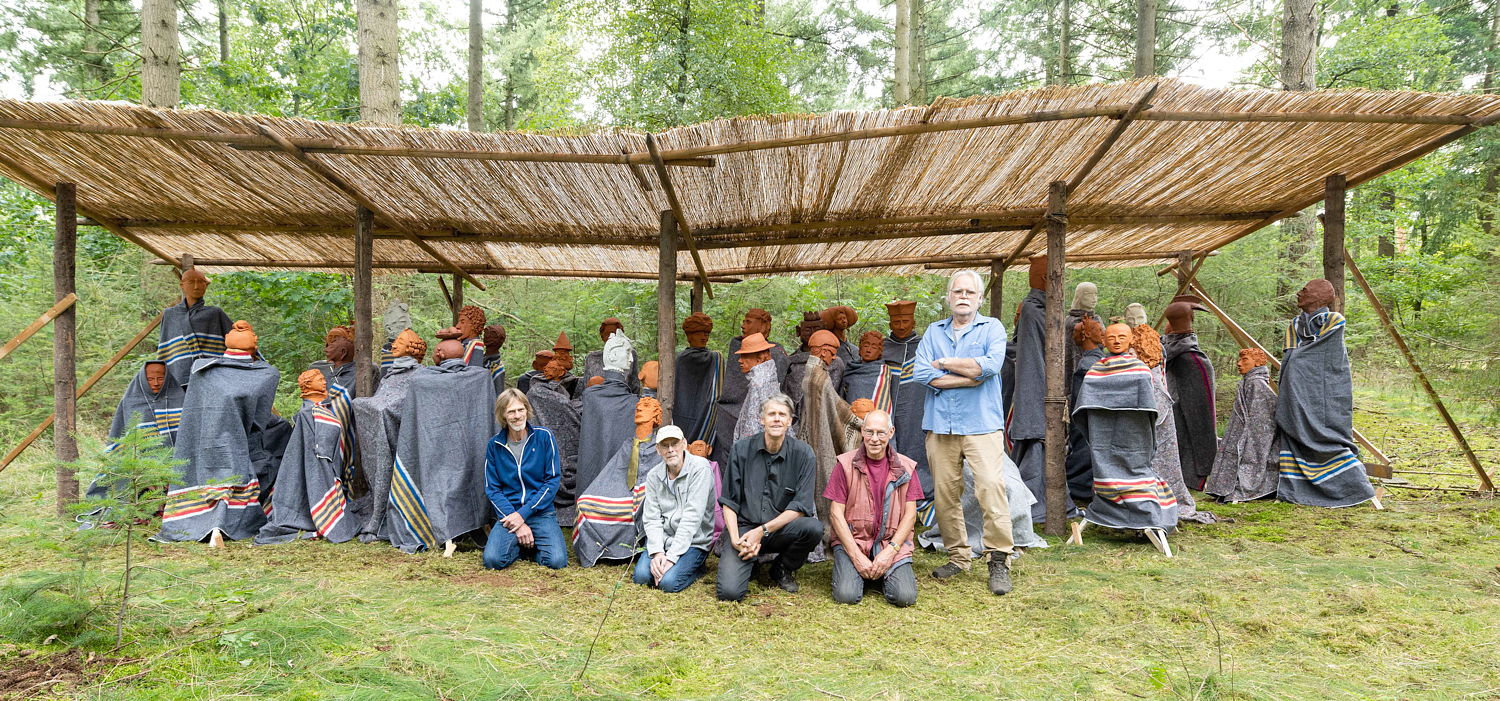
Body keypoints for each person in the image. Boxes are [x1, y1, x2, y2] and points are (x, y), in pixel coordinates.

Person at [912, 269, 1015, 595]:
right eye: (958, 292)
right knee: (945, 495)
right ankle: (958, 557)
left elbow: (990, 367)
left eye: (970, 292)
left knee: (990, 489)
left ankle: (998, 559)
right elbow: (921, 373)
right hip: (941, 425)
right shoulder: (933, 331)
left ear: (980, 298)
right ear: (949, 297)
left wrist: (944, 364)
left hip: (981, 425)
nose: (963, 297)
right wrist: (968, 373)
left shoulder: (992, 328)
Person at [716, 394, 823, 601]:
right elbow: (729, 501)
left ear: (790, 421)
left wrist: (762, 531)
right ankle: (750, 561)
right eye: (771, 414)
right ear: (761, 419)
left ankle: (782, 568)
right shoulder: (741, 450)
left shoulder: (804, 454)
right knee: (729, 593)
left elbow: (800, 506)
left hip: (779, 530)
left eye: (782, 414)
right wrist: (737, 539)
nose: (776, 419)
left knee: (813, 528)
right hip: (744, 529)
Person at [826, 410, 921, 607]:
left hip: (890, 543)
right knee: (846, 595)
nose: (875, 439)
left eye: (881, 433)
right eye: (869, 432)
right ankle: (864, 571)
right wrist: (856, 556)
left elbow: (910, 515)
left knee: (905, 597)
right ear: (862, 431)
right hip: (854, 542)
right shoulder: (845, 464)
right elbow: (836, 514)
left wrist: (890, 552)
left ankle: (880, 571)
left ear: (891, 432)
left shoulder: (907, 467)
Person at [483, 388, 568, 570]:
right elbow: (493, 488)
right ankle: (520, 546)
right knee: (492, 560)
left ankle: (532, 547)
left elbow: (552, 481)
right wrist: (516, 520)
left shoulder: (544, 437)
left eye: (521, 410)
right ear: (503, 415)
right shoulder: (495, 445)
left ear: (527, 410)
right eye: (511, 412)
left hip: (540, 512)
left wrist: (524, 514)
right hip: (509, 514)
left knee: (557, 561)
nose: (517, 416)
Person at [634, 425, 716, 593]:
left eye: (675, 443)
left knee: (668, 583)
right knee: (641, 578)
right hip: (663, 539)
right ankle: (671, 565)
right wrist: (657, 553)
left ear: (684, 444)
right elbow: (651, 518)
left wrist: (671, 558)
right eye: (665, 445)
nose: (671, 449)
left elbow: (692, 518)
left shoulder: (700, 469)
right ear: (658, 450)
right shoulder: (654, 476)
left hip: (694, 541)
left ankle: (697, 568)